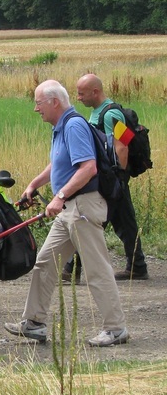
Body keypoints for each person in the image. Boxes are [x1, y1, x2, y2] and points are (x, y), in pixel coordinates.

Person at [4, 80, 129, 347]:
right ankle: (34, 323)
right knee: (46, 263)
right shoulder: (61, 128)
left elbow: (88, 168)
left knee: (97, 269)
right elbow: (58, 162)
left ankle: (116, 329)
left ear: (54, 102)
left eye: (38, 103)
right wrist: (34, 185)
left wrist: (59, 197)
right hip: (71, 209)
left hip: (83, 206)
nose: (36, 109)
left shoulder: (73, 126)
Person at [62, 73, 148, 283]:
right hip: (111, 179)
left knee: (90, 221)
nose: (78, 98)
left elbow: (122, 147)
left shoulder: (111, 115)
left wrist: (118, 179)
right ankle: (137, 266)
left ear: (95, 92)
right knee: (125, 222)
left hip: (112, 180)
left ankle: (72, 269)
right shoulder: (99, 113)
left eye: (82, 94)